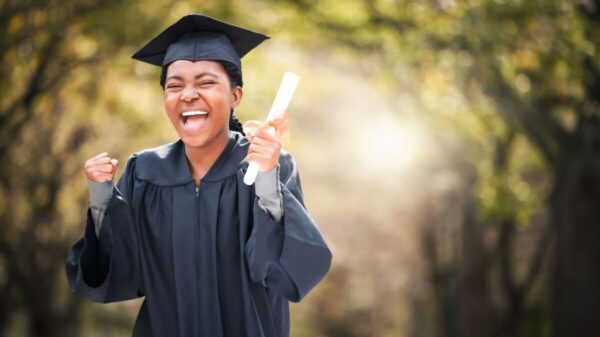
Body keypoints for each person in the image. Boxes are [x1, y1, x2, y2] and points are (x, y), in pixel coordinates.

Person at [65, 14, 332, 337]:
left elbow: (288, 270)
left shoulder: (270, 165)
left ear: (235, 96)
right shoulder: (144, 172)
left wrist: (266, 180)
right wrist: (101, 197)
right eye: (175, 85)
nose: (188, 94)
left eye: (205, 82)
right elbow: (119, 272)